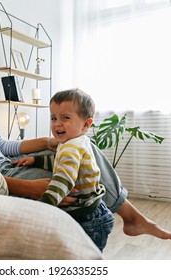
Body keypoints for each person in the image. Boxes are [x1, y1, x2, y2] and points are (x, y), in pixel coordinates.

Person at [0, 22, 171, 241]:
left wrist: (47, 143)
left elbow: (0, 144)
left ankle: (131, 217)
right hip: (0, 175)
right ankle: (106, 233)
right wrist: (27, 187)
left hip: (8, 163)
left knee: (80, 144)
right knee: (76, 188)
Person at [12, 89, 114, 251]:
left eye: (65, 118)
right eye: (53, 118)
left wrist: (44, 205)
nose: (57, 123)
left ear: (86, 125)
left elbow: (64, 179)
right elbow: (60, 162)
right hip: (93, 210)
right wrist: (36, 160)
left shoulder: (70, 148)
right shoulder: (77, 142)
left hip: (86, 219)